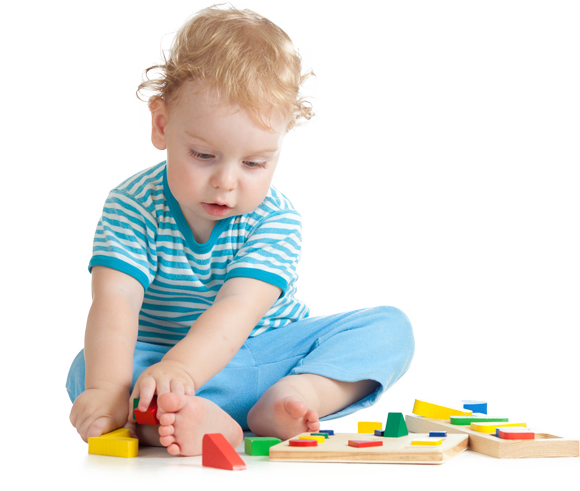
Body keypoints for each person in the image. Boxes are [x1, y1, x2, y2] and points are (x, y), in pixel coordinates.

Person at [66, 2, 415, 457]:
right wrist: (108, 388)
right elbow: (116, 301)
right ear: (162, 124)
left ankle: (297, 396)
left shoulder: (275, 218)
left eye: (253, 163)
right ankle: (182, 419)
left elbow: (238, 309)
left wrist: (185, 371)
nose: (226, 182)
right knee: (88, 371)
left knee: (390, 328)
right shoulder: (132, 206)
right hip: (160, 366)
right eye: (203, 155)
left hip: (267, 358)